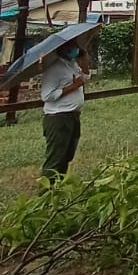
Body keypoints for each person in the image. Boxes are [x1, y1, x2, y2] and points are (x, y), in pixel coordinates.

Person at [39, 40, 91, 180]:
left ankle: (58, 189)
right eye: (71, 46)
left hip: (72, 116)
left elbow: (84, 77)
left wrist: (84, 59)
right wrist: (72, 87)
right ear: (61, 49)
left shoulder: (71, 64)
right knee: (56, 158)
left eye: (76, 46)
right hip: (58, 118)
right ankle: (46, 195)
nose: (75, 49)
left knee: (67, 155)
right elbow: (47, 95)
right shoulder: (55, 68)